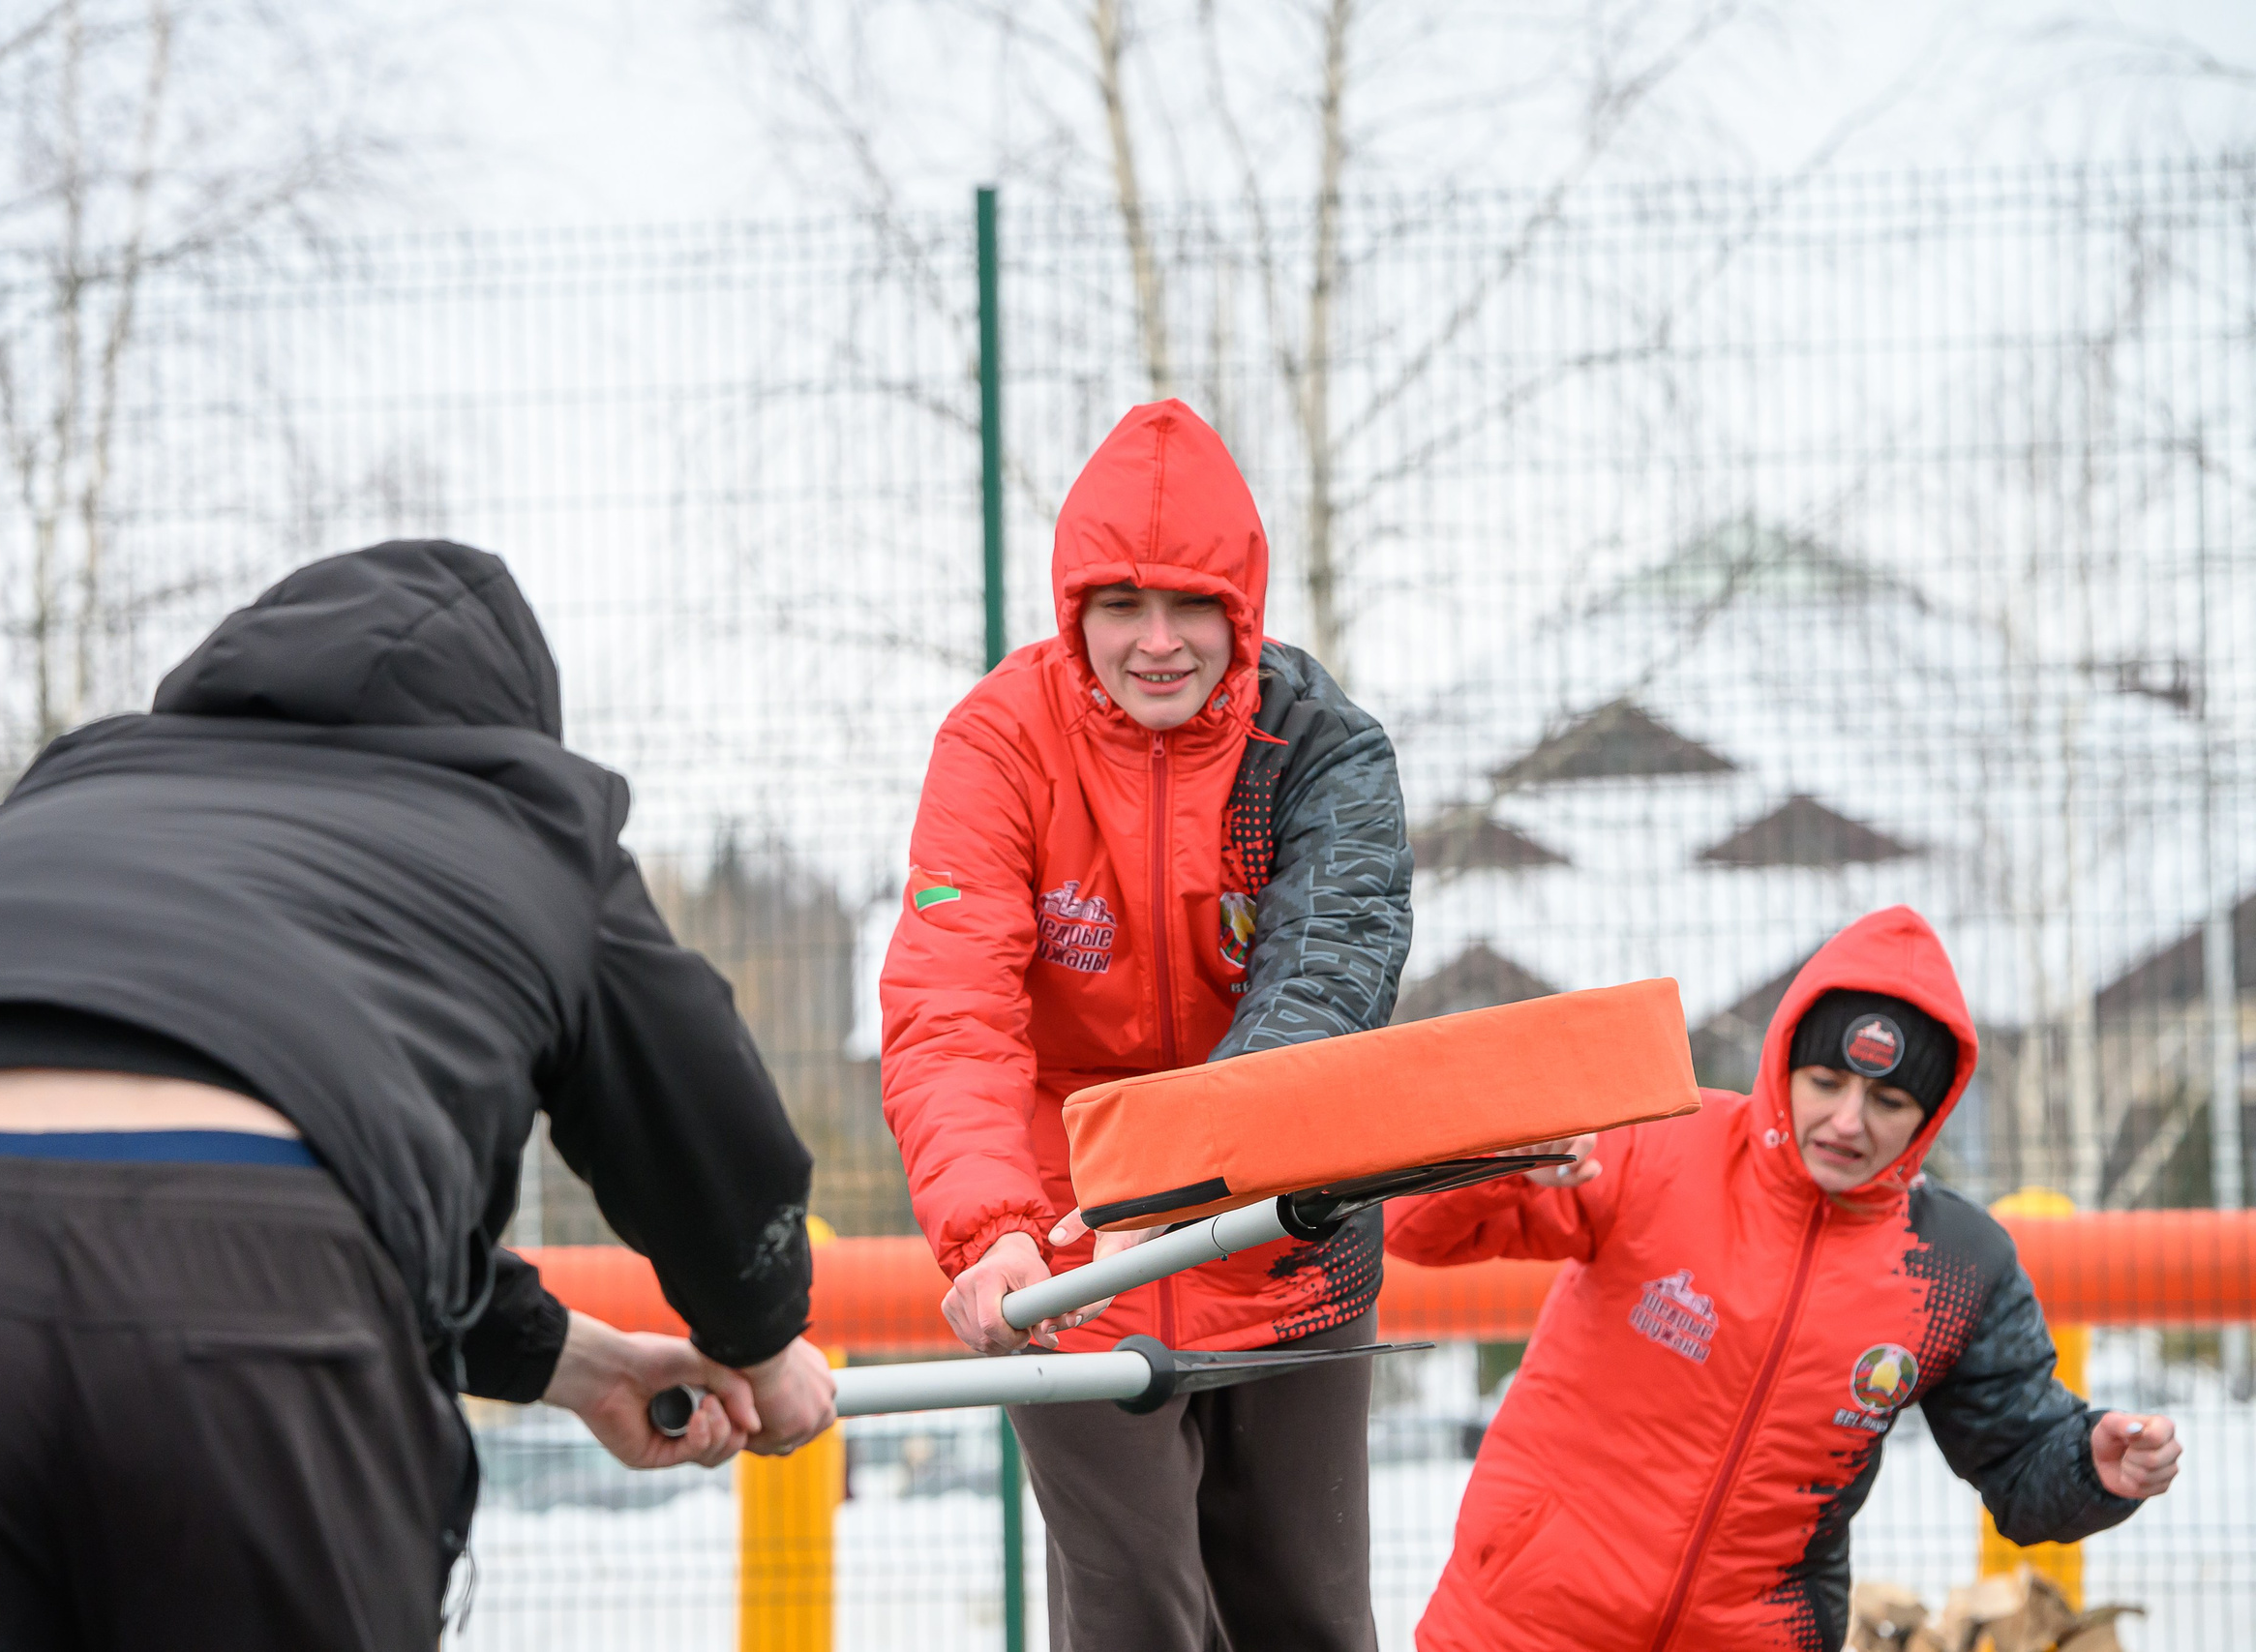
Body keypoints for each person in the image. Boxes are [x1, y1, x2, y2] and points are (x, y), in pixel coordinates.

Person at [0, 541, 837, 1652]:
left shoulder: (83, 780)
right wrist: (761, 1340)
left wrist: (577, 1365)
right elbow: (698, 1114)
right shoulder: (524, 817)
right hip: (243, 1267)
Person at [880, 400, 1414, 1651]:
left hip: (1283, 1213)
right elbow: (951, 1005)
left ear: (1247, 607)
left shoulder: (1319, 749)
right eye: (1122, 605)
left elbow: (1325, 980)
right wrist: (991, 1229)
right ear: (1074, 611)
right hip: (1072, 1239)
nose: (1158, 642)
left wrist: (1215, 1161)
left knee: (1305, 1607)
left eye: (1193, 607)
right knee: (1133, 1609)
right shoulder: (1000, 740)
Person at [1386, 905, 2182, 1652]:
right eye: (1828, 1082)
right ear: (1787, 1063)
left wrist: (2092, 1465)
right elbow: (1410, 1230)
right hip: (1521, 1620)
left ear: (1929, 1114)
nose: (1848, 1121)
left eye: (1889, 1099)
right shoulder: (1661, 1142)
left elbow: (2020, 1457)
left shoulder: (1955, 1267)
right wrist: (1505, 1161)